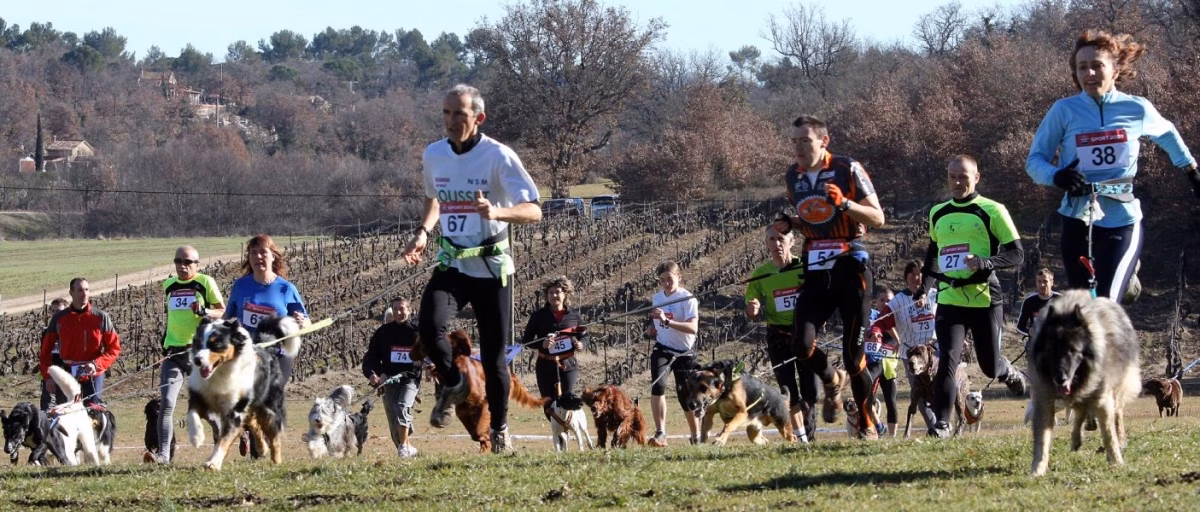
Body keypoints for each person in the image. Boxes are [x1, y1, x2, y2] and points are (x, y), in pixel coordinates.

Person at [401, 83, 542, 454]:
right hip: (452, 263)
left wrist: (497, 212)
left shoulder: (498, 156)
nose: (450, 121)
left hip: (492, 269)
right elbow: (434, 198)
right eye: (446, 113)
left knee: (495, 360)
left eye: (459, 114)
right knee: (429, 331)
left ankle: (499, 430)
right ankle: (456, 382)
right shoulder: (434, 154)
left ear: (478, 118)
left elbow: (534, 209)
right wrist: (422, 232)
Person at [1026, 29, 1199, 302]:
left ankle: (1124, 273)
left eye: (1097, 66)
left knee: (1105, 302)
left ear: (1115, 71)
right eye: (1083, 67)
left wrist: (1191, 170)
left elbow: (1167, 134)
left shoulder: (1136, 108)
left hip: (1122, 216)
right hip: (1077, 215)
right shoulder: (1064, 110)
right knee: (1083, 305)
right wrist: (1056, 176)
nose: (1090, 73)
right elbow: (1034, 161)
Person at [773, 114, 887, 439]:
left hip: (851, 266)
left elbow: (877, 217)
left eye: (804, 140)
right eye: (793, 141)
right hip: (816, 267)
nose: (797, 147)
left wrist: (847, 203)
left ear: (824, 141)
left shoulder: (847, 167)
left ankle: (866, 420)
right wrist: (790, 224)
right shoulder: (792, 175)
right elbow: (812, 217)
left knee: (855, 357)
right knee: (801, 343)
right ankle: (832, 379)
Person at [921, 155, 1027, 439]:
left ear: (976, 177)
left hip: (984, 299)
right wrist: (924, 286)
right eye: (952, 176)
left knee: (989, 365)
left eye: (963, 176)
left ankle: (1010, 372)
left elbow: (1017, 254)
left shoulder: (992, 210)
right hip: (950, 298)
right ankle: (941, 424)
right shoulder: (938, 212)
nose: (957, 182)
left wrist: (984, 262)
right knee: (947, 360)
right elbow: (933, 254)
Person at [224, 234, 311, 456]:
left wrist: (301, 321)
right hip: (248, 354)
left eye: (263, 252)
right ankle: (257, 451)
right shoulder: (241, 286)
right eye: (253, 253)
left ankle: (267, 444)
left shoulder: (285, 288)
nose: (258, 257)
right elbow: (228, 318)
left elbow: (306, 320)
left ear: (273, 256)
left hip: (278, 355)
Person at [151, 246, 225, 464]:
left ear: (197, 264)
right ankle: (163, 456)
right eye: (178, 261)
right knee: (166, 404)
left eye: (188, 262)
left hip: (198, 354)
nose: (182, 266)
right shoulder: (168, 286)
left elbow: (222, 310)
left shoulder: (205, 282)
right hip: (173, 354)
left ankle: (221, 437)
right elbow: (174, 319)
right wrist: (165, 344)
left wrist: (204, 312)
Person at [744, 224, 818, 442]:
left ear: (792, 241)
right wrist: (753, 309)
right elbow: (751, 309)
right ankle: (802, 439)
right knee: (788, 390)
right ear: (766, 244)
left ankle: (810, 432)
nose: (777, 244)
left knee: (811, 391)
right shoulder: (760, 274)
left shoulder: (805, 267)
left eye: (781, 238)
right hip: (777, 336)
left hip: (804, 332)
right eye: (771, 240)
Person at [869, 260, 938, 433]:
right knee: (920, 397)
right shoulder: (899, 300)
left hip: (935, 352)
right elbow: (882, 320)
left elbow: (949, 317)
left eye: (921, 273)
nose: (918, 277)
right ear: (906, 277)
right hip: (913, 356)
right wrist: (878, 334)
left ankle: (943, 423)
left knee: (941, 390)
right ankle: (936, 428)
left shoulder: (936, 295)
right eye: (913, 274)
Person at [39, 278, 121, 406]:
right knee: (67, 415)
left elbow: (114, 348)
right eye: (80, 290)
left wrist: (96, 364)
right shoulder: (59, 319)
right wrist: (47, 376)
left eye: (87, 290)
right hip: (68, 373)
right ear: (71, 293)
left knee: (92, 414)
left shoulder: (101, 317)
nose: (85, 294)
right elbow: (45, 351)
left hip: (93, 373)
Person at [646, 262, 700, 447]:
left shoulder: (688, 299)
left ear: (679, 277)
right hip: (663, 348)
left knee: (685, 395)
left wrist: (666, 322)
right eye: (662, 280)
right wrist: (653, 327)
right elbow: (658, 320)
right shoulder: (657, 297)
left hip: (684, 353)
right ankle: (660, 433)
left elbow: (692, 328)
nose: (666, 283)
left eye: (670, 279)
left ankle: (695, 435)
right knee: (658, 385)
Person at [521, 276, 587, 422]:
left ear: (565, 294)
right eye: (550, 293)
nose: (554, 296)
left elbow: (585, 335)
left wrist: (581, 344)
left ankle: (569, 428)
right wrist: (541, 344)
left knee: (567, 399)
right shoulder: (538, 316)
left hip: (568, 364)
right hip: (545, 365)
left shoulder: (574, 316)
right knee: (549, 402)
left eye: (557, 292)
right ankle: (558, 436)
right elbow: (526, 341)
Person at [363, 297, 422, 458]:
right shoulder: (383, 333)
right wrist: (374, 375)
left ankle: (404, 446)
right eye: (395, 309)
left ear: (409, 310)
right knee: (393, 418)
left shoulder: (417, 333)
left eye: (402, 308)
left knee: (401, 407)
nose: (398, 312)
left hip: (410, 379)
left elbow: (425, 357)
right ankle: (406, 448)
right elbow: (370, 358)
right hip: (389, 380)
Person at [864, 286, 896, 437]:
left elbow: (892, 330)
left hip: (887, 364)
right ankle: (877, 426)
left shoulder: (894, 317)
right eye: (882, 300)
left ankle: (890, 434)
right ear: (875, 301)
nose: (885, 303)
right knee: (865, 396)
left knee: (891, 399)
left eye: (888, 301)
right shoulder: (869, 315)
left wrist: (898, 341)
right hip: (869, 362)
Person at [38, 298, 69, 411]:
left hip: (67, 375)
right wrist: (47, 377)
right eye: (53, 311)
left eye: (59, 311)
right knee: (46, 410)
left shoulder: (72, 331)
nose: (56, 314)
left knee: (64, 409)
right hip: (50, 374)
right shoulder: (47, 332)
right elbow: (44, 355)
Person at [1016, 268, 1061, 338]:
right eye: (1039, 281)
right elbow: (1020, 327)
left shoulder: (1061, 299)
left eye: (1045, 281)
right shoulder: (1029, 301)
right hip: (1036, 342)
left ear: (1051, 282)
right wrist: (1029, 332)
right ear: (1036, 283)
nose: (1042, 285)